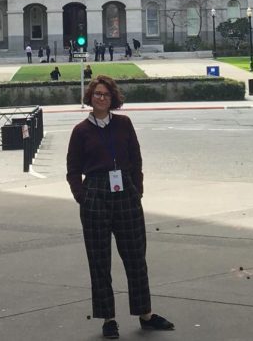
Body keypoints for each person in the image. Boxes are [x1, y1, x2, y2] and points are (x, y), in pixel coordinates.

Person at [66, 76, 175, 338]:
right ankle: (108, 319)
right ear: (90, 97)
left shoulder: (124, 124)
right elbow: (72, 171)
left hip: (125, 192)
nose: (100, 98)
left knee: (136, 257)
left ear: (113, 98)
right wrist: (83, 196)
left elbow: (136, 159)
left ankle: (145, 314)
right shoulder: (81, 131)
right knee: (100, 261)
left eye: (105, 94)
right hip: (96, 195)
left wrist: (137, 189)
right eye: (96, 94)